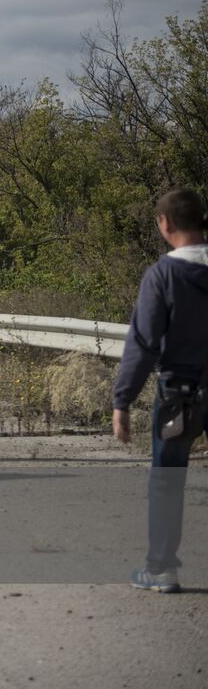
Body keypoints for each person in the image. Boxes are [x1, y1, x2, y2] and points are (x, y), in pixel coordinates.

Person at [112, 187, 208, 593]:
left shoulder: (163, 275)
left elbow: (145, 342)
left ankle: (161, 568)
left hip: (178, 395)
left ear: (165, 224)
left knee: (167, 480)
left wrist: (123, 400)